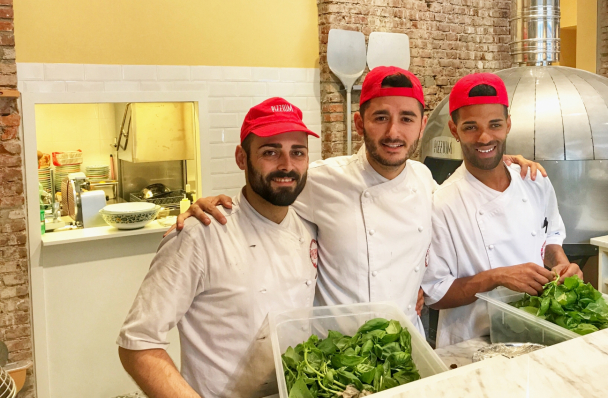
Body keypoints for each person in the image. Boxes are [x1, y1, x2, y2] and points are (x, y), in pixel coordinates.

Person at [171, 66, 545, 332]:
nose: (394, 132)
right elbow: (267, 192)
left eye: (406, 119)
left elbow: (475, 187)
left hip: (405, 344)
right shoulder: (321, 179)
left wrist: (508, 163)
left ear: (419, 125)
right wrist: (209, 202)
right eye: (380, 117)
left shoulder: (425, 179)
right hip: (333, 348)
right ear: (359, 122)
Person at [117, 98, 320, 398]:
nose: (287, 165)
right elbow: (138, 344)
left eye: (297, 152)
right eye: (270, 152)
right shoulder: (199, 235)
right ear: (241, 158)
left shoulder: (309, 226)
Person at [421, 73, 582, 348]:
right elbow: (435, 294)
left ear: (508, 125)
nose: (484, 137)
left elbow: (551, 236)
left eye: (494, 125)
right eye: (471, 127)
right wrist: (496, 277)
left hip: (537, 331)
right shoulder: (442, 203)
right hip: (472, 344)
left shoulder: (535, 180)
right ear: (453, 129)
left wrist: (562, 267)